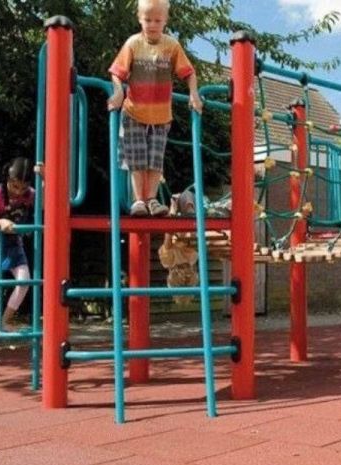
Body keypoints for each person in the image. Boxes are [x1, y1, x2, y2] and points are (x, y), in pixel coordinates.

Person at [107, 0, 203, 217]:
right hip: (134, 112)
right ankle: (138, 201)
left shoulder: (171, 46)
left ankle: (151, 199)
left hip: (161, 115)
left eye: (157, 20)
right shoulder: (133, 43)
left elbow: (189, 73)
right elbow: (117, 72)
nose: (152, 24)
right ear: (139, 19)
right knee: (137, 159)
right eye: (147, 19)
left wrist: (194, 94)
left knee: (155, 160)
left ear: (165, 21)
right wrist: (119, 92)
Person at [0, 157, 34, 364]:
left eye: (23, 187)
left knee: (24, 281)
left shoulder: (31, 194)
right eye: (15, 186)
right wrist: (1, 221)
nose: (18, 191)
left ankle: (4, 322)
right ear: (8, 179)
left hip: (14, 243)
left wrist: (44, 178)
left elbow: (49, 202)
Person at [158, 196, 199, 306]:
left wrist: (173, 210)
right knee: (187, 199)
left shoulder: (189, 259)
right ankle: (186, 205)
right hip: (182, 226)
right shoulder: (188, 259)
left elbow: (169, 237)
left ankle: (186, 205)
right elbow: (169, 235)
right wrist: (173, 210)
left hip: (181, 226)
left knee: (187, 199)